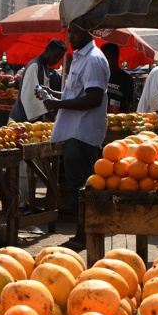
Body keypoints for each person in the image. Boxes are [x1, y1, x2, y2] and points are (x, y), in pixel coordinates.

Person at [43, 23, 109, 251]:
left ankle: (83, 235)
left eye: (76, 32)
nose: (71, 37)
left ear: (89, 32)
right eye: (69, 32)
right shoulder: (81, 57)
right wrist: (55, 96)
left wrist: (58, 103)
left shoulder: (93, 59)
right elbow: (79, 93)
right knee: (77, 185)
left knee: (80, 186)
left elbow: (94, 98)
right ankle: (83, 232)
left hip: (83, 132)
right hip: (74, 130)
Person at [12, 40, 65, 124]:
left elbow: (42, 93)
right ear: (47, 50)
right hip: (21, 122)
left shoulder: (44, 67)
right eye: (55, 56)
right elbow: (30, 95)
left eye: (59, 58)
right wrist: (50, 115)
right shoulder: (34, 66)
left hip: (33, 123)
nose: (56, 60)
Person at [99, 43, 135, 113]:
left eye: (106, 58)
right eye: (101, 58)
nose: (102, 61)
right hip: (98, 118)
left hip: (115, 120)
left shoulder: (126, 79)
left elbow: (127, 106)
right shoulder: (99, 74)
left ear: (115, 57)